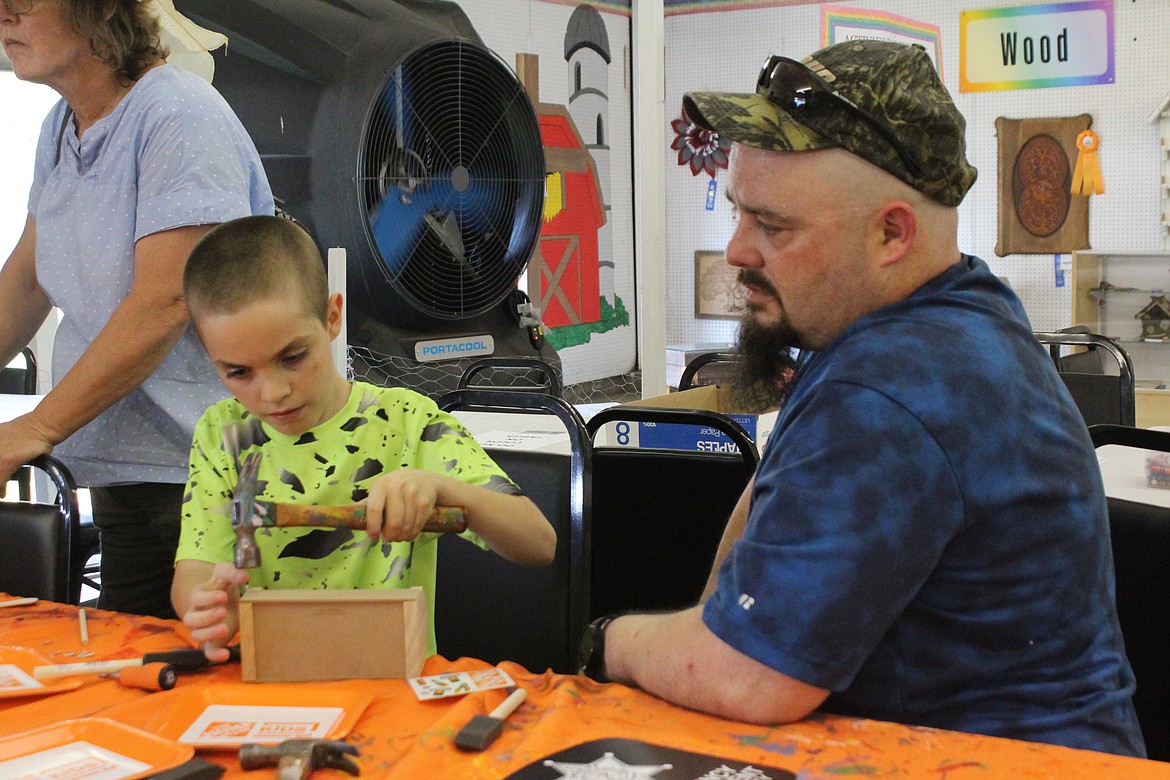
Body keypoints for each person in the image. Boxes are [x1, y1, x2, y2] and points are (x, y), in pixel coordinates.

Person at [579, 40, 1145, 757]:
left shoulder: (894, 383)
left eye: (773, 226)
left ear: (890, 233)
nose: (735, 251)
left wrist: (606, 642)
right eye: (739, 213)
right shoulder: (948, 314)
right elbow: (757, 518)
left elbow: (748, 678)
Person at [171, 215, 557, 662]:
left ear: (333, 317)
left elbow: (539, 543)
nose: (273, 393)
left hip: (393, 687)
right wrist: (208, 605)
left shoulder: (408, 423)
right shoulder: (225, 435)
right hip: (267, 677)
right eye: (238, 372)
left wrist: (440, 488)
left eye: (293, 357)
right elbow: (196, 567)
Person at [0, 0, 274, 618]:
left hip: (210, 468)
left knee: (212, 658)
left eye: (26, 1)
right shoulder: (60, 127)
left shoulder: (177, 115)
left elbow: (166, 299)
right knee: (138, 655)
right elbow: (26, 281)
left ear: (100, 11)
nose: (6, 15)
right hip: (127, 462)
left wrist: (35, 427)